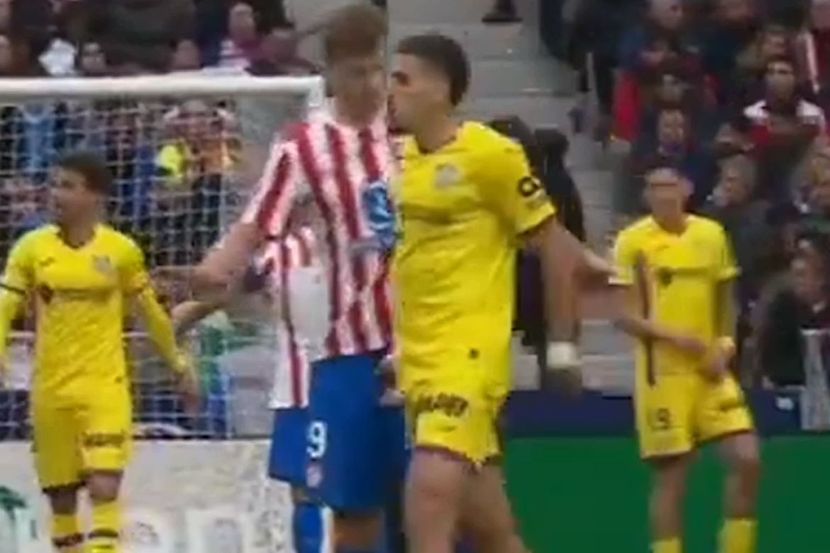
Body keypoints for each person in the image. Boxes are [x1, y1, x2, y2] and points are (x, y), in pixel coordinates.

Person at [167, 5, 407, 553]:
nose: (371, 84)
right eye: (357, 72)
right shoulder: (303, 146)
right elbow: (255, 225)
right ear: (331, 73)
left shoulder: (409, 127)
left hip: (427, 342)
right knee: (352, 509)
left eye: (378, 69)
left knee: (442, 499)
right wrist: (214, 269)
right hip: (350, 352)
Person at [389, 33, 585, 553]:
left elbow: (554, 246)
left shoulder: (491, 154)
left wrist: (562, 347)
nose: (392, 89)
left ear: (440, 89)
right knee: (493, 529)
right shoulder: (400, 161)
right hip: (420, 357)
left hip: (468, 353)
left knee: (430, 491)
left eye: (403, 79)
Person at [0, 151, 199, 553]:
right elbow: (5, 307)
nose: (56, 194)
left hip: (104, 386)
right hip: (51, 389)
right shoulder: (31, 249)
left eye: (67, 186)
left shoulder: (121, 251)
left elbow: (151, 314)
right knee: (61, 497)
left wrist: (178, 364)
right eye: (54, 185)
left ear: (95, 197)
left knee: (104, 484)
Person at [610, 162, 761, 553]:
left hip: (711, 369)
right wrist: (674, 336)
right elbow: (623, 316)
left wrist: (725, 346)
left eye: (669, 186)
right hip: (662, 376)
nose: (662, 194)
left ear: (687, 189)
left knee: (747, 459)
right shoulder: (632, 242)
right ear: (646, 196)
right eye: (653, 187)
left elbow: (727, 299)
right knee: (674, 479)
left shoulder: (711, 234)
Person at [172, 225, 330, 553]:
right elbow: (205, 295)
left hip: (323, 377)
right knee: (302, 488)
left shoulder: (320, 240)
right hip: (286, 385)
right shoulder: (260, 242)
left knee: (331, 490)